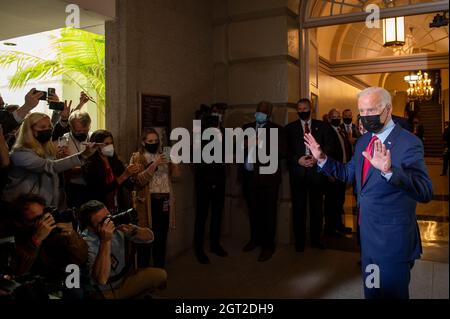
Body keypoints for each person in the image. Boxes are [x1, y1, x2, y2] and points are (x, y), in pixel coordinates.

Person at [304, 87, 433, 299]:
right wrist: (321, 158)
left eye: (371, 110)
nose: (365, 117)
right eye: (361, 111)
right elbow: (348, 173)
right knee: (372, 292)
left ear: (388, 109)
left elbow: (426, 191)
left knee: (391, 296)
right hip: (367, 238)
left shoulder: (409, 143)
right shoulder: (364, 141)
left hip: (393, 241)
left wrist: (390, 171)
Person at [2, 112, 99, 208]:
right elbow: (50, 167)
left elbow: (55, 180)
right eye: (43, 127)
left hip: (48, 205)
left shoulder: (47, 150)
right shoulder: (20, 153)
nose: (48, 130)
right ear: (30, 130)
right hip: (24, 208)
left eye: (49, 127)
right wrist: (82, 155)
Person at [79, 200, 167, 299]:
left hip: (123, 281)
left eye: (109, 217)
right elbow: (101, 279)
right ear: (90, 228)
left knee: (160, 275)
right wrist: (105, 241)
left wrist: (134, 231)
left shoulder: (117, 227)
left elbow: (150, 237)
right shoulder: (85, 242)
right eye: (103, 222)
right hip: (102, 291)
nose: (109, 223)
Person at [9, 194, 88, 298]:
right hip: (31, 288)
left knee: (76, 292)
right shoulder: (14, 240)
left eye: (43, 216)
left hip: (60, 280)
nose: (43, 223)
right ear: (19, 223)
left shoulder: (55, 230)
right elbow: (17, 273)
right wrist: (36, 239)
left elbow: (82, 258)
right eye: (36, 219)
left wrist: (73, 238)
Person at [285, 98, 334, 252]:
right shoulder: (289, 129)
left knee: (317, 208)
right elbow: (285, 151)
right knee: (298, 209)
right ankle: (299, 242)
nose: (302, 111)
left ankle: (316, 239)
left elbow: (330, 147)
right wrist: (298, 160)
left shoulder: (323, 127)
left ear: (310, 109)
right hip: (298, 175)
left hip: (317, 175)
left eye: (305, 108)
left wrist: (317, 158)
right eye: (299, 109)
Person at [129, 128, 180, 268]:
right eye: (150, 141)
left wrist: (175, 163)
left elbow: (175, 177)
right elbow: (139, 180)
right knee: (146, 239)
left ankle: (159, 271)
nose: (154, 143)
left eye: (156, 141)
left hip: (165, 201)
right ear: (143, 142)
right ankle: (144, 275)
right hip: (147, 204)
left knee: (161, 239)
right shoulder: (137, 157)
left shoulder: (164, 154)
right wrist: (155, 164)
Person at [242, 101, 285, 262]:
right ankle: (255, 240)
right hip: (249, 177)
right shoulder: (246, 128)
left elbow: (282, 151)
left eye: (264, 112)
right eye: (258, 111)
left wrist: (260, 143)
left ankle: (268, 246)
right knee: (253, 211)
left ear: (269, 114)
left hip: (268, 179)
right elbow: (237, 147)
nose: (260, 114)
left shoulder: (277, 129)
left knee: (269, 213)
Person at [193, 105, 228, 264]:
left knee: (217, 214)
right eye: (216, 113)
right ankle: (198, 248)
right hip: (204, 181)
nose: (218, 115)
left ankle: (215, 244)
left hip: (220, 180)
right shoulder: (200, 132)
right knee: (202, 216)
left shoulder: (226, 132)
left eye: (221, 113)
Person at [82, 130, 140, 214]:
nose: (110, 146)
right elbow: (99, 190)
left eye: (111, 143)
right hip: (99, 209)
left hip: (117, 207)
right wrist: (124, 175)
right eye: (106, 144)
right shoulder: (90, 165)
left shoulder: (116, 161)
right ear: (96, 146)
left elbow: (127, 185)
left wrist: (132, 175)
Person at [324, 109, 353, 237]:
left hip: (342, 170)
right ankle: (330, 228)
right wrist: (328, 173)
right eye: (334, 117)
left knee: (339, 201)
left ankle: (339, 225)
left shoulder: (341, 131)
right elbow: (326, 154)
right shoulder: (327, 132)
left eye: (338, 116)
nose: (337, 118)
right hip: (333, 172)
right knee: (331, 202)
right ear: (329, 119)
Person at [60, 111, 93, 209]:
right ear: (71, 128)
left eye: (85, 130)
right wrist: (84, 169)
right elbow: (64, 168)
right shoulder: (63, 140)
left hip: (92, 186)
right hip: (74, 188)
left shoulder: (93, 137)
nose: (82, 133)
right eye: (78, 131)